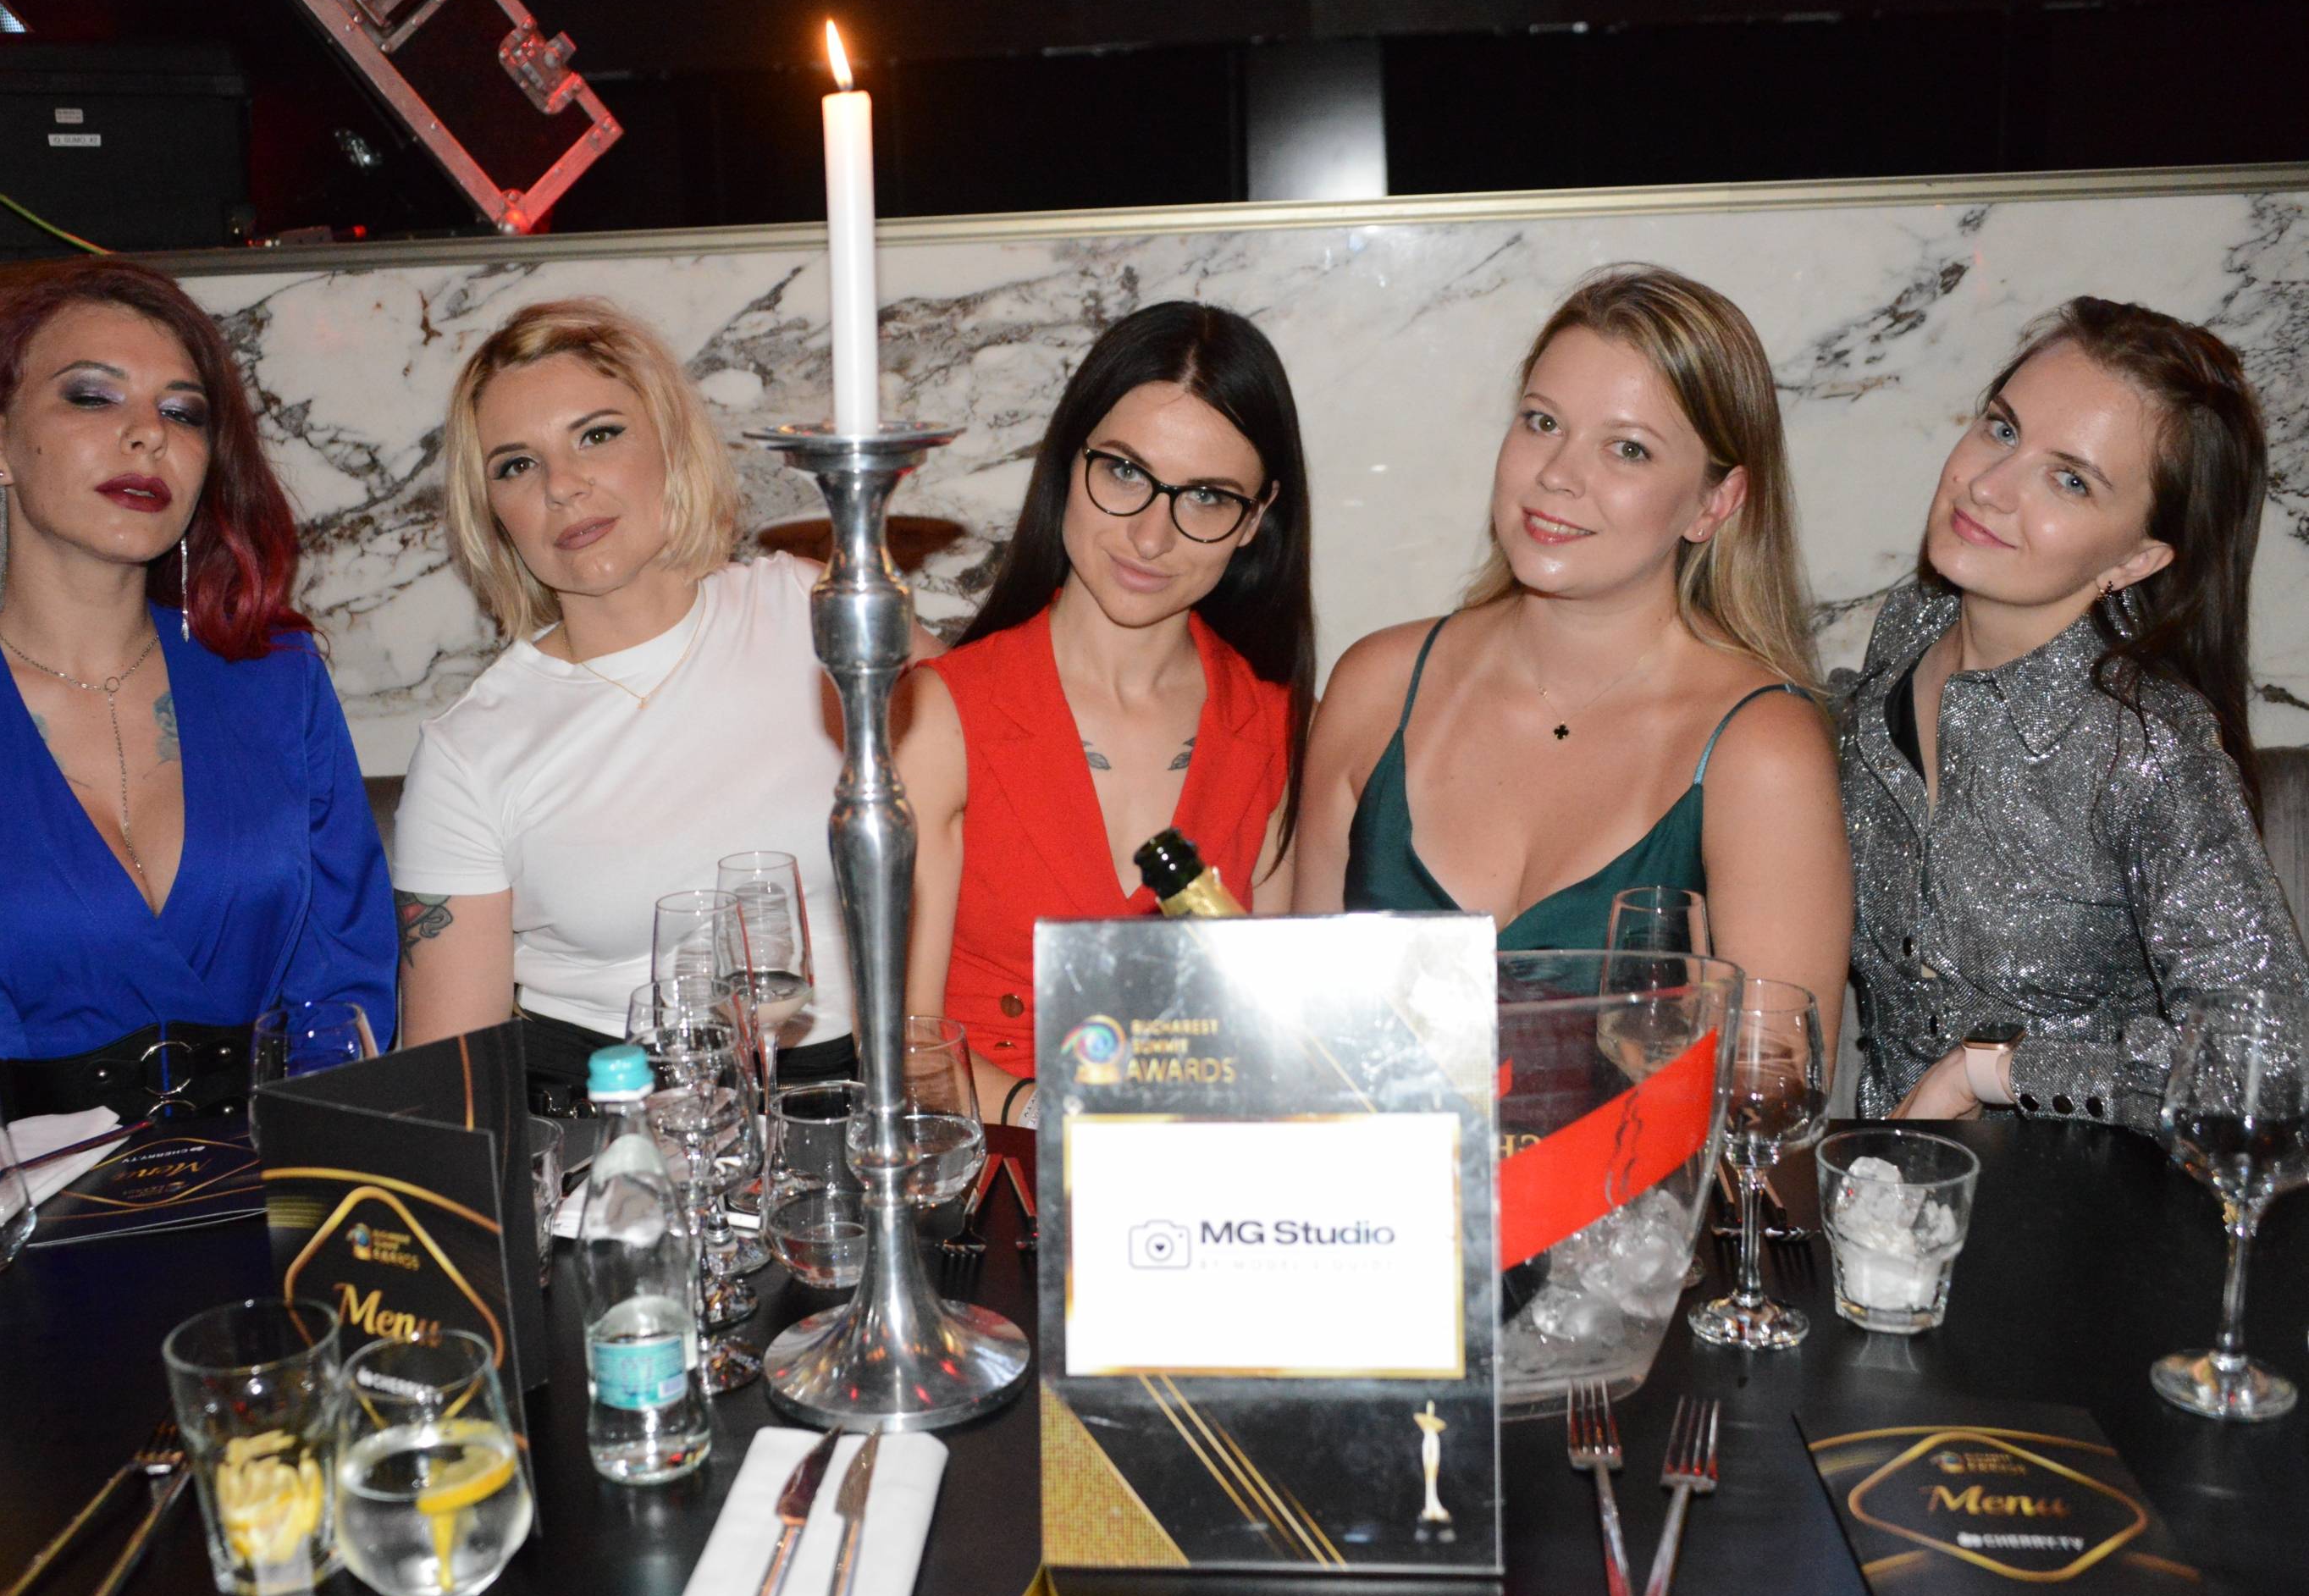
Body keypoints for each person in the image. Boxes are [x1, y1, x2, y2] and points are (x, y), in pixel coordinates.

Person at [0, 261, 395, 1118]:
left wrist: (325, 1172)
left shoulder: (278, 679)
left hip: (277, 1171)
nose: (147, 435)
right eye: (92, 397)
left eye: (182, 412)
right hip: (8, 1188)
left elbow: (346, 983)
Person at [1296, 264, 1850, 1051]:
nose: (1557, 474)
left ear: (1714, 503)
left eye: (1627, 449)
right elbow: (1300, 1038)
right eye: (1542, 422)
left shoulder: (1762, 751)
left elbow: (1774, 1089)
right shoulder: (1376, 685)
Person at [390, 297, 903, 1093]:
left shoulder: (810, 610)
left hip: (848, 1098)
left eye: (597, 435)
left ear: (671, 441)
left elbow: (988, 766)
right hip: (609, 1120)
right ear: (491, 513)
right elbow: (447, 1088)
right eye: (516, 465)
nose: (563, 487)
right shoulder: (469, 751)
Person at [1837, 296, 2308, 1123]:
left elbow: (2270, 1059)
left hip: (2081, 1191)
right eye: (2002, 428)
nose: (1987, 486)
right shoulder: (1911, 623)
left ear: (2137, 557)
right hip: (1888, 1182)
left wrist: (1995, 1071)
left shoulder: (2149, 747)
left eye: (2069, 480)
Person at [898, 301, 1312, 1127]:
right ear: (1069, 460)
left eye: (1207, 497)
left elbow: (1273, 1036)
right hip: (989, 1168)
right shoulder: (944, 712)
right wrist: (1060, 1124)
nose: (1152, 537)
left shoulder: (1277, 727)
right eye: (1125, 473)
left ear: (1256, 519)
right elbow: (904, 1045)